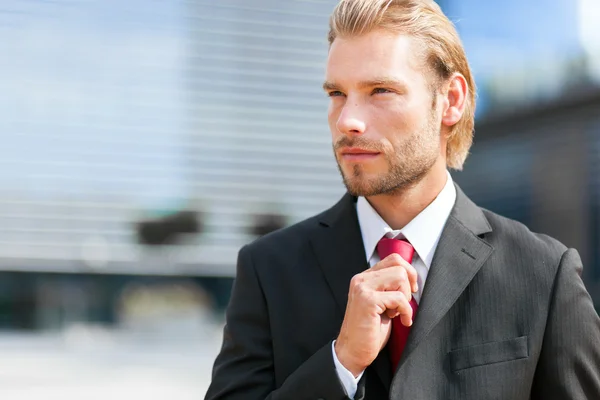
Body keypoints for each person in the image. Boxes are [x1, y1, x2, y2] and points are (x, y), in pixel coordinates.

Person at [205, 0, 600, 398]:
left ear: (451, 100)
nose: (347, 121)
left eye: (380, 90)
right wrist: (340, 364)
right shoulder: (268, 270)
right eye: (337, 93)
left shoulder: (544, 275)